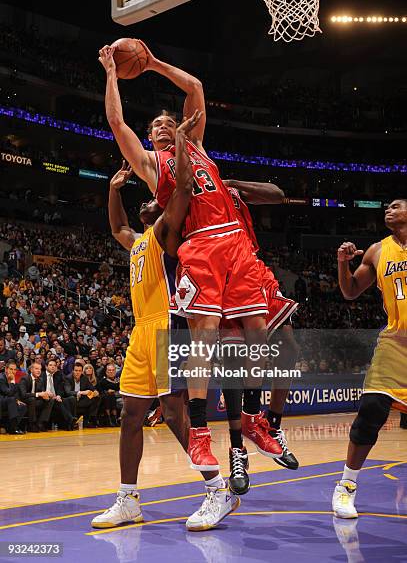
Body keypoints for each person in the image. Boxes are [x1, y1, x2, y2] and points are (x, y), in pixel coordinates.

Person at [98, 43, 271, 474]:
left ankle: (252, 416)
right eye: (154, 125)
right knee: (201, 349)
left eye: (167, 121)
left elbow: (194, 85)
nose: (159, 125)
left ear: (182, 127)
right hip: (201, 248)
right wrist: (111, 75)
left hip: (235, 243)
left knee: (260, 335)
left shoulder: (196, 145)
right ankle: (206, 448)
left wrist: (153, 63)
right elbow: (116, 122)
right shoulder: (155, 165)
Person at [92, 112, 238, 532]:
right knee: (130, 414)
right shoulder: (138, 242)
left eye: (154, 198)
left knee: (175, 412)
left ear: (162, 204)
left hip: (167, 324)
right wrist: (112, 190)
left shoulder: (164, 233)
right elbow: (117, 225)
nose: (148, 201)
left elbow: (185, 189)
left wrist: (177, 143)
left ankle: (217, 489)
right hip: (141, 331)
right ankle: (128, 499)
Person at [219, 179, 300, 494]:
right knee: (234, 364)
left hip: (251, 267)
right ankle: (237, 450)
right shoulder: (193, 195)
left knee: (289, 348)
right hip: (220, 272)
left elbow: (278, 194)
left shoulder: (227, 189)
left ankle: (273, 425)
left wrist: (230, 184)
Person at [332, 199, 407, 518]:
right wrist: (342, 263)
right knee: (371, 410)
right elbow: (350, 292)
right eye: (386, 207)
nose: (388, 209)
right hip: (395, 343)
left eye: (397, 205)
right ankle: (346, 488)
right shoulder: (377, 251)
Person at [41, 358, 77, 430]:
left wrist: (58, 395)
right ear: (46, 366)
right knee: (59, 402)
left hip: (56, 398)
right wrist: (49, 395)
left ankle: (68, 424)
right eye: (50, 365)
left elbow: (60, 389)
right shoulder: (42, 375)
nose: (53, 367)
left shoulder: (57, 375)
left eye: (54, 365)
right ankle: (70, 419)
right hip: (46, 398)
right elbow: (40, 389)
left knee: (70, 399)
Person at [19, 362, 54, 432]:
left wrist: (46, 395)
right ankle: (32, 424)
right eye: (36, 369)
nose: (39, 371)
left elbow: (42, 392)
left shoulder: (40, 380)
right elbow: (23, 395)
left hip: (35, 400)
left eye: (40, 369)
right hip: (25, 400)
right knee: (32, 399)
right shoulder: (24, 378)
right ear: (31, 370)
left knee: (50, 400)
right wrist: (38, 394)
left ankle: (40, 423)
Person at [64, 363, 100, 428]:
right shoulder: (68, 378)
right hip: (71, 400)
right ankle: (74, 421)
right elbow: (68, 392)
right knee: (72, 398)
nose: (78, 373)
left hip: (81, 400)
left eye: (79, 371)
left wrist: (95, 392)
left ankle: (89, 420)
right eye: (76, 370)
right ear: (72, 371)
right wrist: (81, 392)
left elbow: (92, 388)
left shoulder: (84, 378)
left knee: (96, 398)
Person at [0, 360, 26, 434]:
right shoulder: (1, 379)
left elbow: (14, 393)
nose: (13, 371)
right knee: (11, 400)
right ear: (6, 369)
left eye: (15, 369)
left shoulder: (14, 379)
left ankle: (10, 426)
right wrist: (12, 381)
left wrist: (17, 400)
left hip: (7, 400)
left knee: (22, 406)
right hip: (1, 401)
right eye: (11, 369)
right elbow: (9, 393)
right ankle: (14, 429)